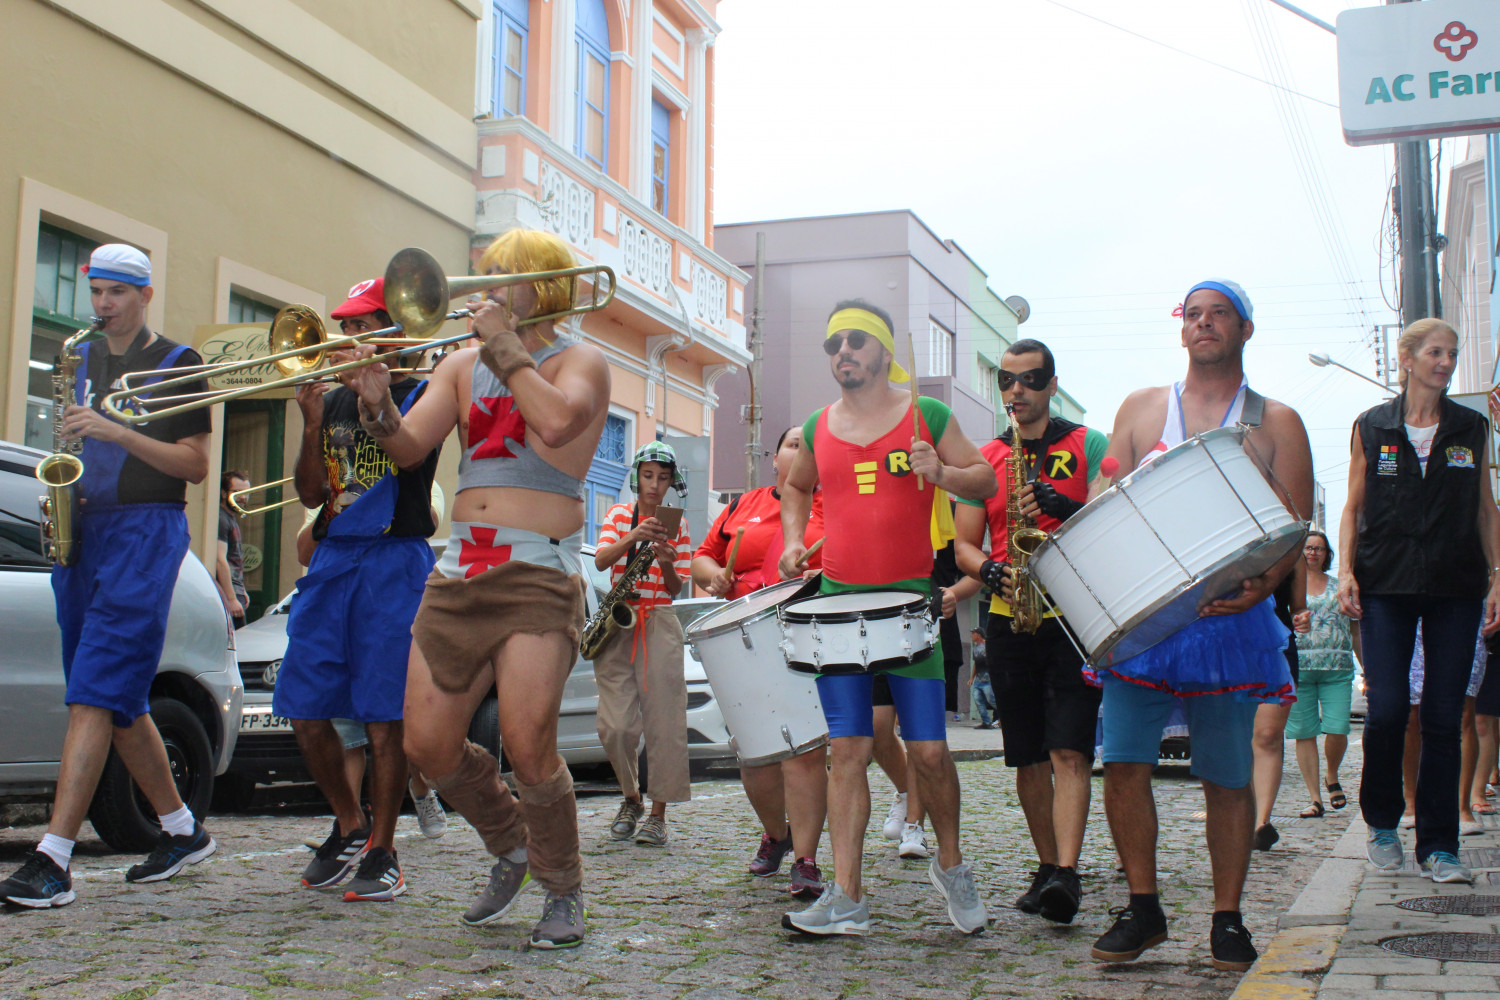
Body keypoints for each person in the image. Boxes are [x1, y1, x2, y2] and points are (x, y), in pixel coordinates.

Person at [343, 228, 611, 948]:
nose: (484, 287)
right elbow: (408, 447)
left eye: (503, 276)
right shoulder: (461, 364)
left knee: (528, 744)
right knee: (427, 744)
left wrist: (504, 347)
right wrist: (376, 407)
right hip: (462, 566)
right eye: (483, 275)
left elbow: (555, 422)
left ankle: (562, 887)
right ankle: (513, 842)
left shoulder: (582, 360)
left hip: (537, 567)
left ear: (543, 286)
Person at [1094, 280, 1313, 971]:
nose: (1204, 324)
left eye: (1219, 314)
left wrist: (1264, 589)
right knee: (1124, 766)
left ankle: (1227, 918)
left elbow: (1295, 530)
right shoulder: (1140, 409)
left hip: (1230, 627)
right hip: (1147, 627)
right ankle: (1143, 906)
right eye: (1194, 315)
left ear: (1246, 329)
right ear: (1181, 330)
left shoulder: (1276, 420)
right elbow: (1104, 501)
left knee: (1225, 776)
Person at [0, 244, 215, 909]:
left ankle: (54, 858)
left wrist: (117, 434)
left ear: (145, 295)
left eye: (117, 293)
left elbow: (196, 465)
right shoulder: (82, 357)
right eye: (96, 291)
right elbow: (71, 442)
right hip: (84, 531)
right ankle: (181, 830)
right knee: (118, 700)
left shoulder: (180, 364)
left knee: (94, 692)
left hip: (146, 533)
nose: (102, 305)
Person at [776, 299, 998, 937]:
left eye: (853, 340)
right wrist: (795, 538)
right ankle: (847, 896)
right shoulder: (817, 425)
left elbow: (984, 481)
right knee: (846, 749)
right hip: (839, 611)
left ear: (882, 350)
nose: (841, 351)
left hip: (910, 607)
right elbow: (796, 485)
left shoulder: (928, 415)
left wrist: (945, 470)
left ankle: (952, 866)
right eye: (832, 344)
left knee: (927, 752)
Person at [275, 277, 442, 903]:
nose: (347, 341)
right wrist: (314, 420)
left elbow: (413, 467)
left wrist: (378, 404)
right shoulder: (334, 400)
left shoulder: (425, 392)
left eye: (361, 328)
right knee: (306, 705)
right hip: (334, 557)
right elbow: (313, 494)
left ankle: (384, 847)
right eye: (344, 329)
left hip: (393, 562)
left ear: (395, 329)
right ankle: (351, 825)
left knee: (382, 717)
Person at [1340, 316, 1500, 885]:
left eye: (1452, 354)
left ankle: (1439, 846)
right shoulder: (1373, 426)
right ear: (1407, 359)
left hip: (1456, 585)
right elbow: (1354, 506)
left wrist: (1497, 575)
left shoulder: (1470, 427)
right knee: (1385, 711)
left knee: (1441, 714)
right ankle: (1383, 825)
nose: (1446, 362)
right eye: (1436, 352)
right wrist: (1347, 573)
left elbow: (1485, 507)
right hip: (1385, 582)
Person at [955, 338, 1109, 924]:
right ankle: (1048, 864)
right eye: (1006, 381)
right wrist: (989, 570)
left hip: (1073, 615)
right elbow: (964, 544)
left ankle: (1067, 873)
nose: (1016, 391)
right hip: (1008, 612)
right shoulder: (985, 458)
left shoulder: (1087, 443)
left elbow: (1106, 519)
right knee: (1026, 757)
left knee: (1069, 747)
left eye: (1029, 379)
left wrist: (1059, 503)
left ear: (1050, 382)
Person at [691, 425, 828, 898]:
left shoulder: (832, 506)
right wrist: (714, 578)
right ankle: (778, 832)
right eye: (792, 444)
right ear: (774, 457)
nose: (799, 453)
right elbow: (703, 558)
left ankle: (807, 860)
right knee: (753, 753)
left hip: (806, 630)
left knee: (805, 750)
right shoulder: (740, 506)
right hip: (742, 636)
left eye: (808, 448)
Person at [593, 442, 693, 847]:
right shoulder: (618, 514)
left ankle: (658, 814)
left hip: (659, 622)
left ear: (671, 482)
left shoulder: (678, 523)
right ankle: (631, 797)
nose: (654, 485)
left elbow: (676, 586)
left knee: (664, 723)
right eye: (648, 476)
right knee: (614, 726)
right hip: (620, 619)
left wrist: (665, 557)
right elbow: (601, 561)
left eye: (663, 477)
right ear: (636, 477)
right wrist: (635, 534)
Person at [1288, 530, 1361, 819]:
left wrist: (1366, 665)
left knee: (1338, 727)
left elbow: (1355, 629)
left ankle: (1332, 775)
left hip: (1338, 666)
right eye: (1308, 548)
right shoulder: (1290, 588)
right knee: (1304, 732)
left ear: (1327, 554)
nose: (1313, 553)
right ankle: (1315, 798)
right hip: (1300, 669)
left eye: (1319, 548)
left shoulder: (1340, 588)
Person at [217, 470, 250, 628]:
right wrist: (231, 598)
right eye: (237, 492)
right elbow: (219, 559)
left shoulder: (230, 518)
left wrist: (241, 590)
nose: (243, 497)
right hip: (226, 594)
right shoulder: (221, 519)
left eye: (246, 492)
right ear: (224, 493)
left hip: (235, 590)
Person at [968, 627, 994, 729]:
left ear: (978, 635)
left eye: (973, 633)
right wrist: (971, 678)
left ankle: (1006, 718)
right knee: (978, 699)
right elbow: (976, 664)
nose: (971, 635)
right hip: (978, 680)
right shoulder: (975, 647)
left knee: (991, 700)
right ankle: (986, 722)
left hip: (988, 679)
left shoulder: (988, 645)